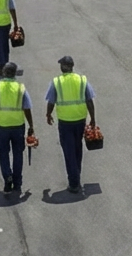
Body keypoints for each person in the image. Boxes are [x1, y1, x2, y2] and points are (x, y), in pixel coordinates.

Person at [45, 55, 95, 194]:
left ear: (63, 67)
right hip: (80, 119)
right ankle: (76, 175)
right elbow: (89, 100)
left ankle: (74, 183)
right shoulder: (82, 80)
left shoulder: (57, 82)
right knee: (77, 148)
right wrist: (93, 119)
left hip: (65, 121)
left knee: (69, 151)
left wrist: (48, 114)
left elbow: (51, 101)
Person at [0, 62, 34, 194]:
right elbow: (27, 108)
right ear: (15, 73)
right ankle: (17, 182)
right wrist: (31, 126)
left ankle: (7, 177)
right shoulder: (20, 88)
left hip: (2, 126)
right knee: (18, 154)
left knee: (3, 153)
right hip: (18, 126)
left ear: (4, 73)